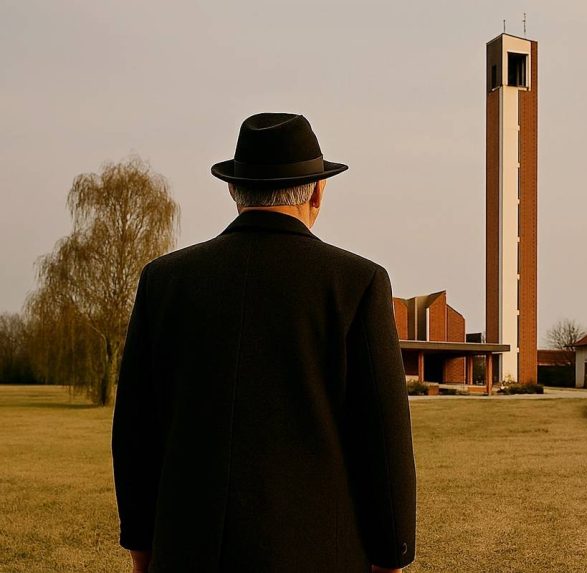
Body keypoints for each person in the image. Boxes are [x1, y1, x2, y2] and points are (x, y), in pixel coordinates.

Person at [112, 112, 417, 572]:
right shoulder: (358, 283)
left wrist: (143, 550)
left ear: (234, 190)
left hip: (187, 553)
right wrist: (392, 555)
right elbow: (383, 437)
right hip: (319, 554)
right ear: (318, 191)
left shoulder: (164, 282)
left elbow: (135, 432)